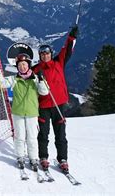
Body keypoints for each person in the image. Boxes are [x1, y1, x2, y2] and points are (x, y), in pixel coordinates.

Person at [33, 25, 78, 172]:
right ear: (39, 56)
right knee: (43, 134)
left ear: (51, 54)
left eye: (47, 53)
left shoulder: (59, 62)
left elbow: (67, 50)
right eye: (42, 54)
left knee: (60, 134)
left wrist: (72, 36)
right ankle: (43, 157)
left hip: (59, 105)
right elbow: (23, 77)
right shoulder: (36, 69)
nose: (45, 55)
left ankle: (62, 159)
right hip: (44, 106)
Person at [0, 54, 48, 170]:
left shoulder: (35, 79)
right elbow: (1, 84)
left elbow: (44, 92)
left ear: (29, 65)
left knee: (32, 138)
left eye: (24, 64)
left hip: (32, 113)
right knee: (19, 137)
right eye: (20, 65)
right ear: (17, 67)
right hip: (17, 113)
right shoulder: (14, 79)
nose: (22, 67)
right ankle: (20, 157)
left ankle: (33, 158)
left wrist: (42, 79)